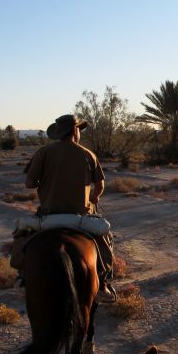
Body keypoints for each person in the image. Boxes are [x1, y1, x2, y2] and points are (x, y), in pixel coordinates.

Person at [23, 113, 116, 302]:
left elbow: (29, 183)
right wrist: (94, 197)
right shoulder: (88, 154)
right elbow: (100, 186)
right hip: (81, 218)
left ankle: (22, 277)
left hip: (48, 217)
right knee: (105, 239)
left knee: (21, 237)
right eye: (79, 129)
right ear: (74, 131)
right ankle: (103, 284)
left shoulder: (43, 152)